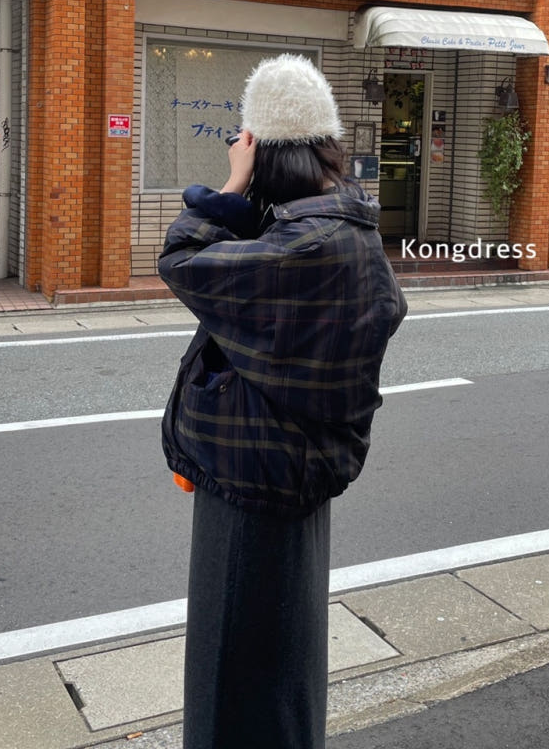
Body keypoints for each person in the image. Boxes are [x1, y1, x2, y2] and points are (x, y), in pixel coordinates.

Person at [159, 53, 407, 749]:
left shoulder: (304, 245)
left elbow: (183, 262)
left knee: (232, 672)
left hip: (252, 482)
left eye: (247, 145)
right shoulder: (347, 231)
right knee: (283, 664)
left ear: (265, 154)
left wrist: (227, 188)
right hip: (301, 472)